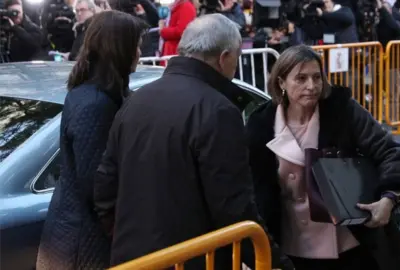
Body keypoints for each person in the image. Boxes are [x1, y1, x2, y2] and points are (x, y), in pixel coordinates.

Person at [93, 13, 294, 270]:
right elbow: (233, 208)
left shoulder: (137, 99)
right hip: (193, 260)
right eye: (237, 58)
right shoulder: (219, 111)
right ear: (224, 58)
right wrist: (274, 261)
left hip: (133, 259)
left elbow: (104, 189)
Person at [246, 45, 400, 270]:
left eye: (317, 77)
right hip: (292, 250)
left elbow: (391, 152)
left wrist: (389, 198)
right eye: (301, 78)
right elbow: (250, 189)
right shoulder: (261, 125)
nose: (311, 86)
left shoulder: (341, 110)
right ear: (281, 83)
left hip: (352, 243)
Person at [36, 11, 147, 270]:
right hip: (82, 246)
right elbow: (95, 185)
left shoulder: (96, 94)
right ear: (120, 48)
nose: (140, 53)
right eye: (136, 46)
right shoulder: (95, 104)